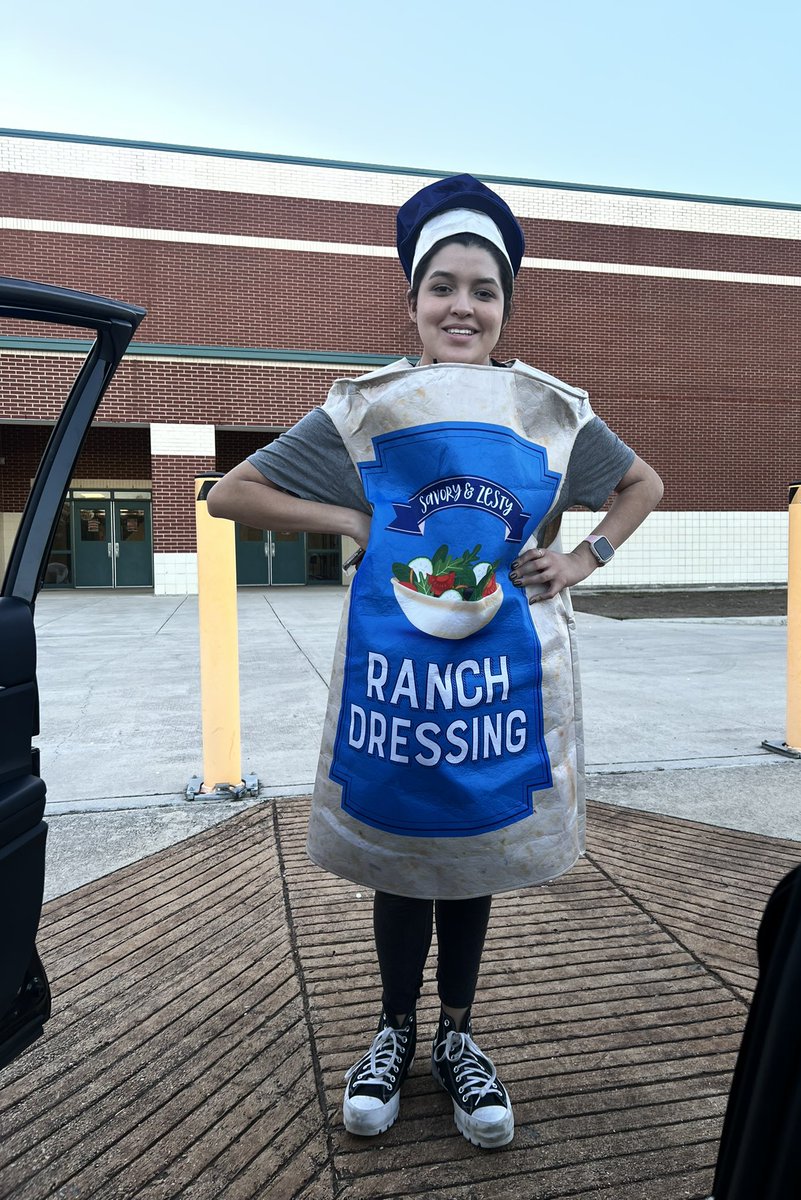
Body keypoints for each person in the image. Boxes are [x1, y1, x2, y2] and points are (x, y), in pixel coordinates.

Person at [208, 174, 663, 1150]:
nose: (464, 306)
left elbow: (639, 482)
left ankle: (459, 1035)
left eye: (484, 290)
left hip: (496, 685)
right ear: (412, 300)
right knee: (399, 854)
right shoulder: (370, 411)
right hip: (397, 682)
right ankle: (394, 1028)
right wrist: (344, 515)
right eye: (443, 286)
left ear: (506, 305)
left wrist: (585, 558)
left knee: (473, 852)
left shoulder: (546, 411)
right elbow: (229, 495)